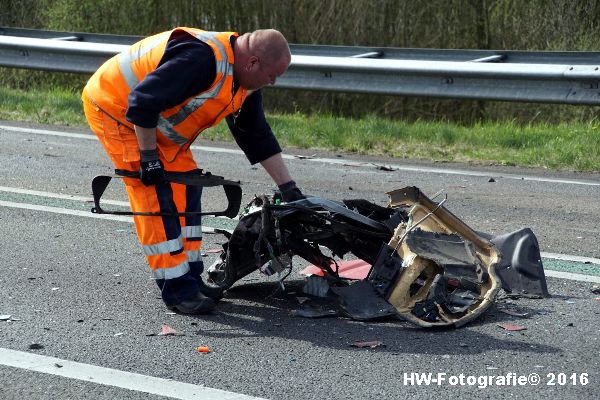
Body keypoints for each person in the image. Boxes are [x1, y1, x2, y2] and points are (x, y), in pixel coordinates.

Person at [82, 27, 304, 315]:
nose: (271, 83)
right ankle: (177, 290)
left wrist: (288, 187)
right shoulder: (201, 59)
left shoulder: (244, 81)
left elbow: (255, 135)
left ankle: (190, 278)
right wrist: (149, 159)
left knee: (187, 187)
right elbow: (142, 102)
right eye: (272, 76)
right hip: (116, 109)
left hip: (153, 124)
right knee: (155, 195)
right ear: (252, 63)